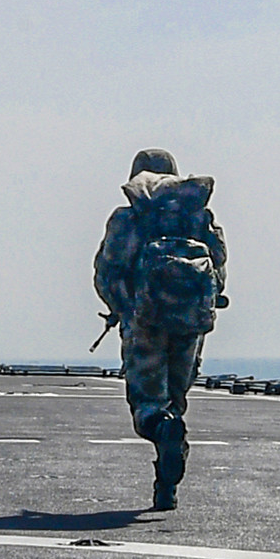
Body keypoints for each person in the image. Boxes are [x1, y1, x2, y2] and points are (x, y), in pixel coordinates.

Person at [94, 148, 228, 512]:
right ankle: (166, 487)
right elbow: (219, 267)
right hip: (190, 324)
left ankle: (163, 432)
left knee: (148, 405)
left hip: (144, 324)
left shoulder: (128, 218)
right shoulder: (199, 217)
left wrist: (122, 308)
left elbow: (107, 271)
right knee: (176, 399)